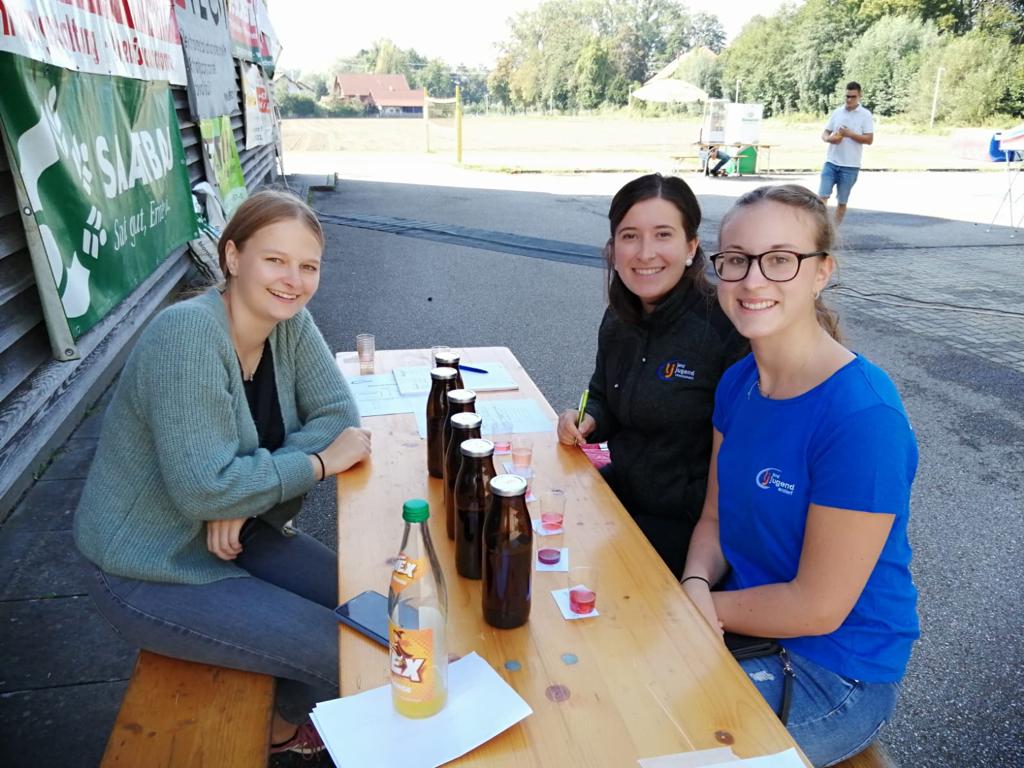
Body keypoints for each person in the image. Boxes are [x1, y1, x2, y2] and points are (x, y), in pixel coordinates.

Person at [74, 190, 371, 756]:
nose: (293, 280)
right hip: (151, 565)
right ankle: (287, 726)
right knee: (344, 651)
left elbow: (339, 416)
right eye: (275, 260)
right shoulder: (186, 335)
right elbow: (205, 489)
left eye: (308, 266)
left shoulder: (289, 322)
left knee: (373, 609)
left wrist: (241, 495)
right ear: (233, 257)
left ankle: (280, 724)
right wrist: (314, 464)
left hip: (242, 531)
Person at [682, 184, 919, 767]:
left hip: (836, 670)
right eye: (736, 259)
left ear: (821, 272)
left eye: (780, 259)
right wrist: (693, 583)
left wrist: (699, 609)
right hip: (746, 621)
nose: (752, 280)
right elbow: (714, 518)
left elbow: (817, 607)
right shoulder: (739, 382)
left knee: (657, 741)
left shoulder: (862, 418)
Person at [556, 173, 746, 577]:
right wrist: (587, 418)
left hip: (686, 528)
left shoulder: (723, 328)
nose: (645, 253)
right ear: (613, 249)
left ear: (691, 247)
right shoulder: (619, 317)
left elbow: (738, 467)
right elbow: (602, 395)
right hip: (618, 494)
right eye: (630, 236)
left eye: (663, 235)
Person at [819, 81, 874, 225]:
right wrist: (829, 139)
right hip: (831, 162)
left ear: (860, 96)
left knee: (842, 202)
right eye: (847, 96)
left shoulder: (865, 115)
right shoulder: (837, 112)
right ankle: (822, 228)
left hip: (850, 165)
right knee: (822, 197)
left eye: (853, 97)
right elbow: (825, 132)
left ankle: (835, 229)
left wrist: (850, 134)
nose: (849, 100)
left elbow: (869, 139)